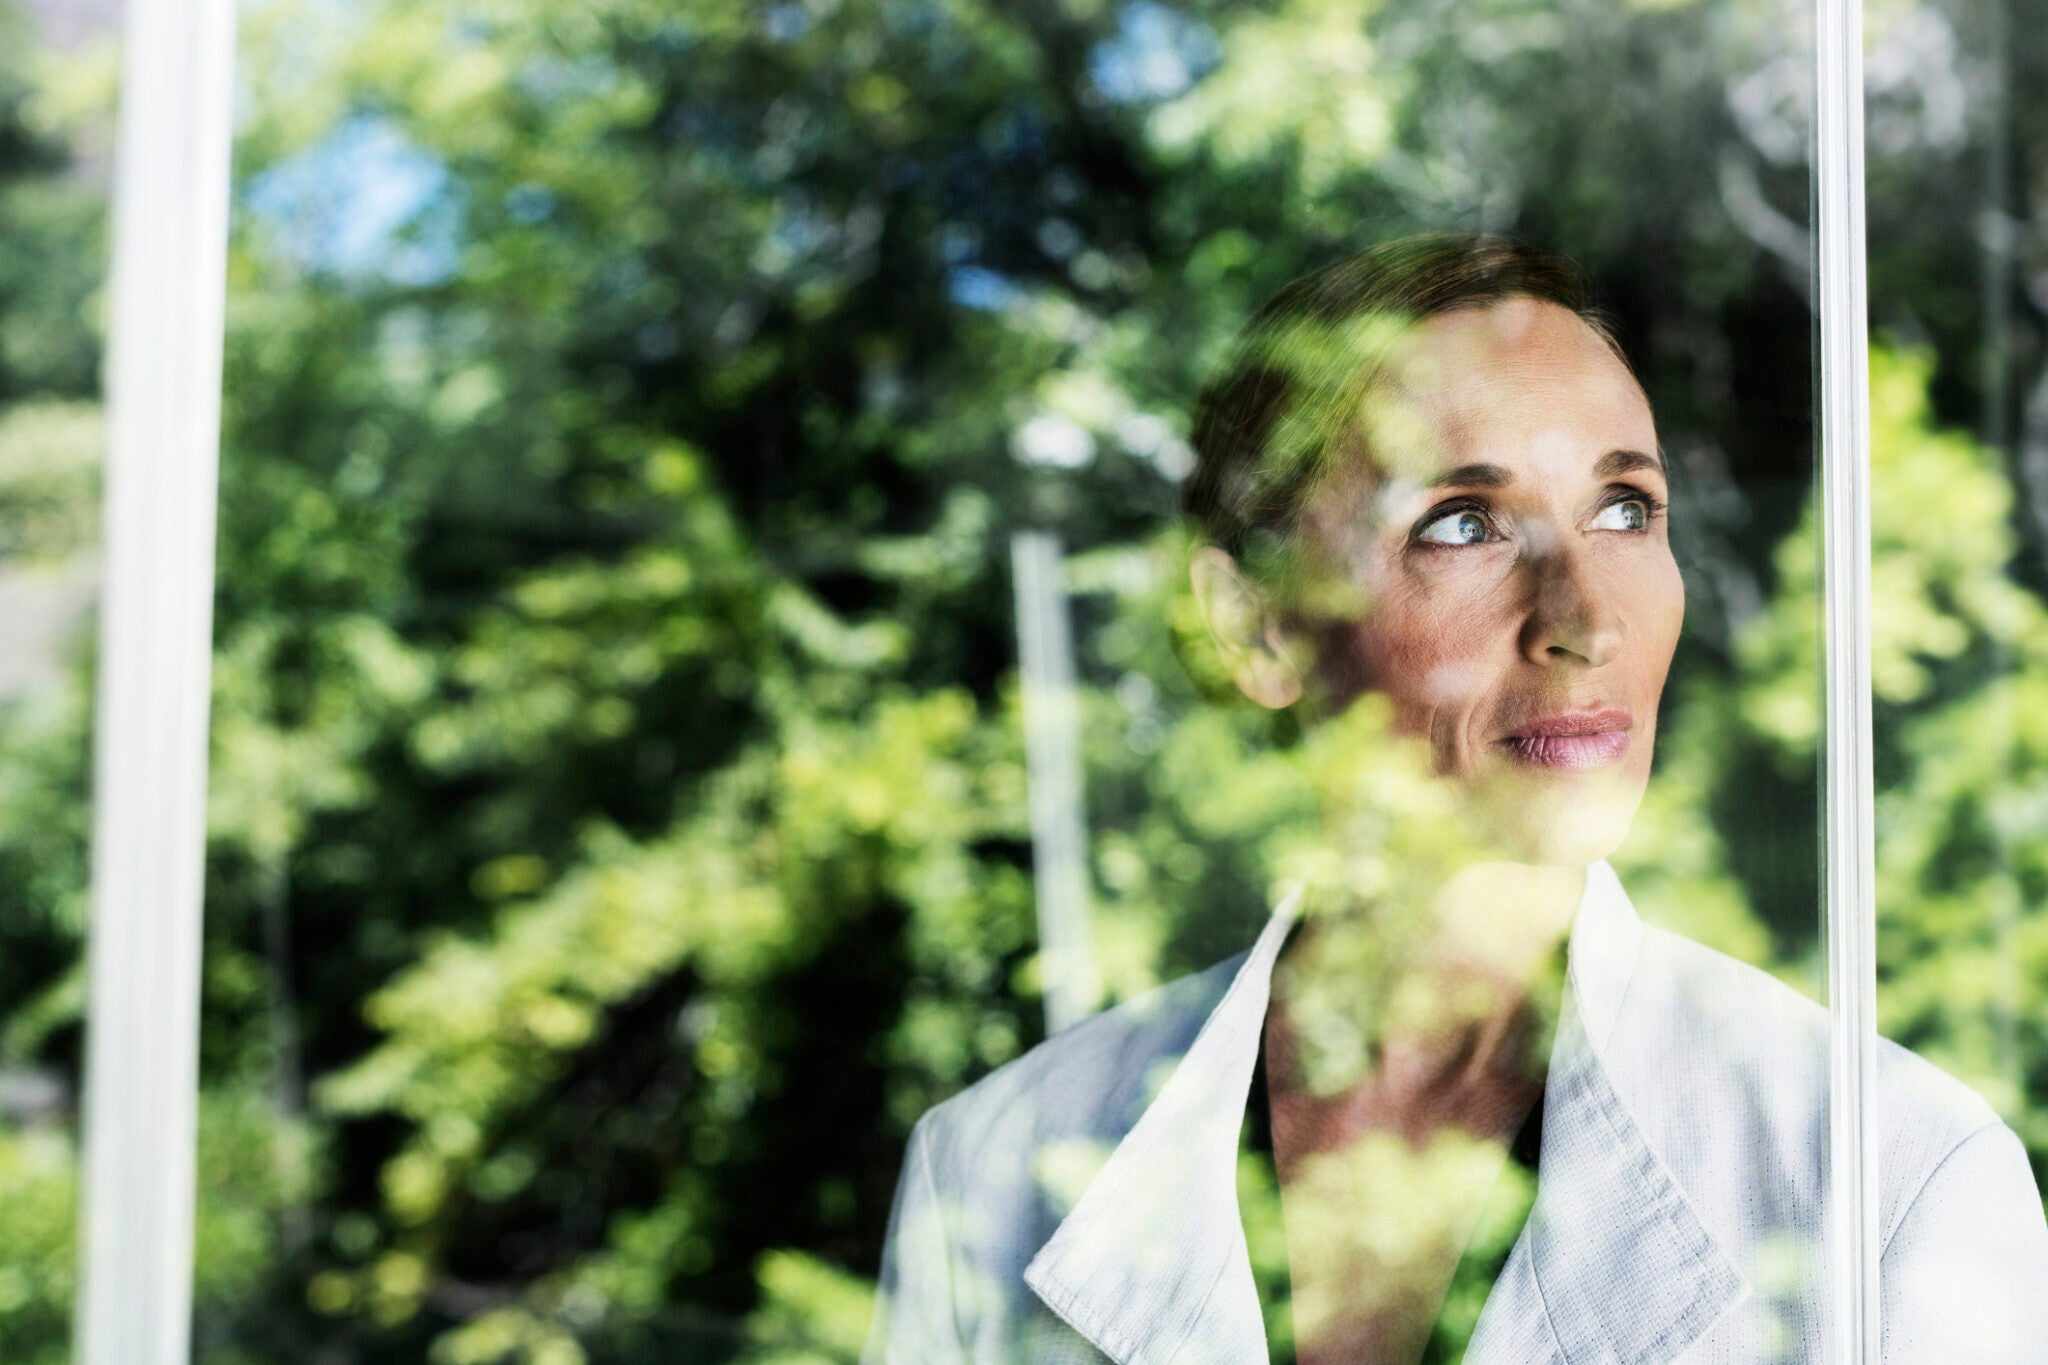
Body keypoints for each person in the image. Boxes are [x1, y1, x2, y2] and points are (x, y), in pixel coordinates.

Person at [861, 236, 2048, 1364]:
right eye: (1463, 524)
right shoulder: (990, 1169)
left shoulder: (1896, 1184)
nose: (1584, 621)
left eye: (1623, 507)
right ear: (1254, 625)